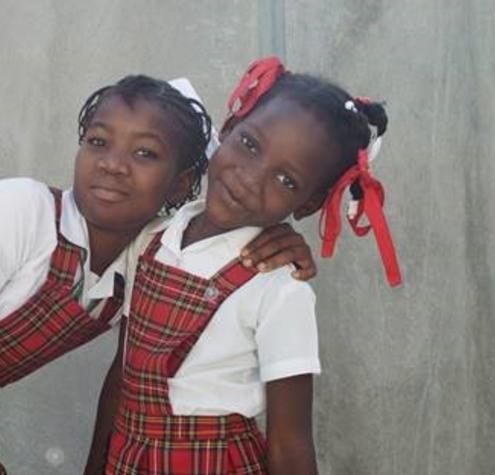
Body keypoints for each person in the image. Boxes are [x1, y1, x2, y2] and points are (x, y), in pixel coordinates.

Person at [0, 74, 316, 474]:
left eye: (145, 154)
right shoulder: (21, 210)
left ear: (181, 183)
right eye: (99, 142)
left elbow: (209, 240)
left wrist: (277, 239)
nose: (114, 165)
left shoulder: (150, 252)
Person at [96, 57, 401, 474]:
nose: (250, 178)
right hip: (128, 460)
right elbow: (123, 374)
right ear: (229, 127)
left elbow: (290, 444)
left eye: (285, 181)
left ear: (308, 204)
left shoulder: (280, 288)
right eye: (250, 144)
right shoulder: (150, 240)